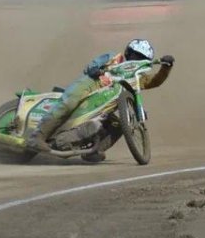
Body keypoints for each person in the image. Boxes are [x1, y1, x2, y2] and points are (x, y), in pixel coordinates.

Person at [26, 39, 174, 154]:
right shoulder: (112, 57)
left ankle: (96, 151)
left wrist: (166, 67)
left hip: (104, 107)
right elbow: (92, 66)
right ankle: (37, 137)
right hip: (93, 83)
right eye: (135, 55)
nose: (136, 60)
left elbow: (155, 81)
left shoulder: (137, 78)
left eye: (141, 58)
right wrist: (96, 70)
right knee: (69, 102)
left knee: (119, 126)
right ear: (128, 52)